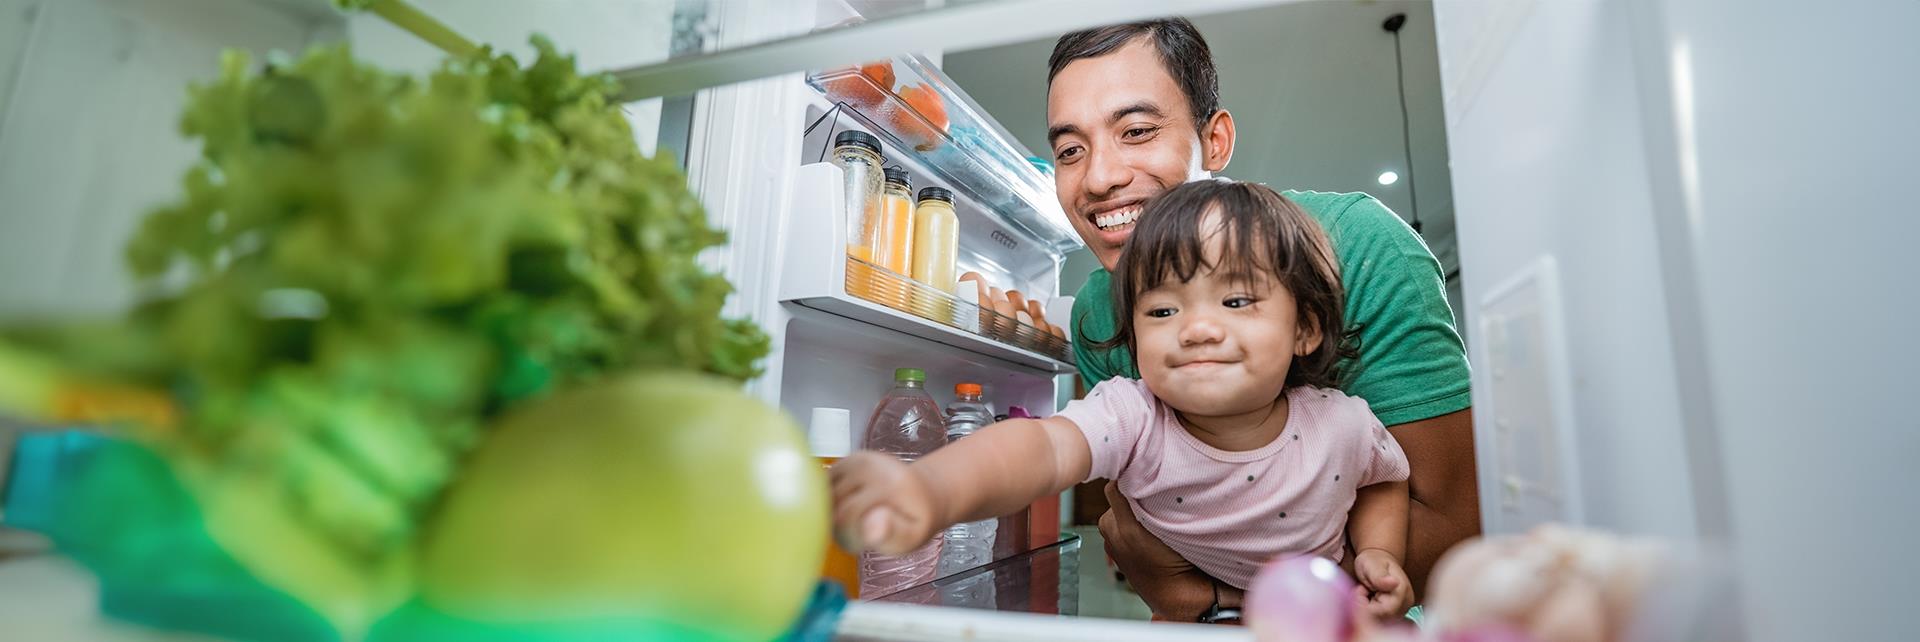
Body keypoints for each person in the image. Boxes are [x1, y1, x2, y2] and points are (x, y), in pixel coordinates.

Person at [1044, 18, 1477, 620]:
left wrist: (1211, 601)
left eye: (1137, 131)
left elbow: (1452, 529)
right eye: (1070, 150)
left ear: (1215, 141)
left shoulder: (1360, 246)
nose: (1098, 177)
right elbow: (1138, 529)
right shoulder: (1098, 309)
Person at [832, 180, 1416, 619]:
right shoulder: (1134, 417)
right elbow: (1041, 447)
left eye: (1236, 302)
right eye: (1163, 310)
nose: (1198, 329)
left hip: (1329, 621)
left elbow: (1383, 478)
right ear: (1135, 338)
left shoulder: (1342, 423)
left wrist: (1380, 552)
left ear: (1305, 329)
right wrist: (931, 489)